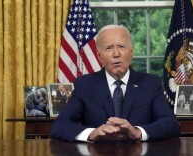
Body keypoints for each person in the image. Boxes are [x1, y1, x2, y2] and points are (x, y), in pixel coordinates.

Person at [50, 25, 180, 142]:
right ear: (99, 56)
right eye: (109, 48)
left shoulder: (150, 83)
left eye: (122, 47)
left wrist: (138, 132)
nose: (116, 54)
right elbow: (59, 126)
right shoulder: (84, 85)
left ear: (131, 52)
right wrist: (92, 134)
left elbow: (171, 124)